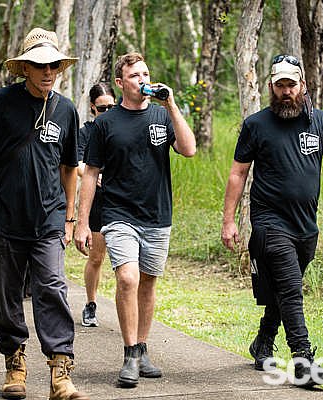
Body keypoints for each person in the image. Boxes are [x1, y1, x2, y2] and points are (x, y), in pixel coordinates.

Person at [0, 28, 89, 400]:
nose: (48, 72)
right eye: (40, 65)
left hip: (48, 219)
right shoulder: (0, 102)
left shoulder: (66, 110)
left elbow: (69, 168)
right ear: (25, 68)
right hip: (4, 218)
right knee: (7, 294)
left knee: (52, 289)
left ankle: (60, 373)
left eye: (54, 65)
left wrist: (70, 217)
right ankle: (15, 364)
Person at [220, 54, 323, 387]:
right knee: (291, 289)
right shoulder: (256, 125)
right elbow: (238, 173)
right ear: (271, 87)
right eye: (280, 85)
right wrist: (229, 220)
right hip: (269, 222)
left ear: (302, 85)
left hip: (305, 226)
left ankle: (263, 342)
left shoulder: (320, 122)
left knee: (282, 289)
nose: (286, 91)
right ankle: (304, 362)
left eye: (291, 84)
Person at [74, 52, 196, 388]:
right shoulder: (106, 123)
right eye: (134, 76)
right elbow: (90, 173)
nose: (142, 80)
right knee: (127, 278)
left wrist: (171, 105)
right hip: (118, 214)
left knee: (147, 283)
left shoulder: (161, 115)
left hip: (157, 214)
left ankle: (142, 349)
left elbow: (188, 149)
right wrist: (81, 222)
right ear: (120, 83)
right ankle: (129, 354)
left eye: (145, 74)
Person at [77, 82, 117, 328]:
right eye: (102, 108)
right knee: (96, 257)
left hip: (122, 200)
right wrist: (94, 175)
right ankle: (90, 303)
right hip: (97, 200)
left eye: (112, 106)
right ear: (93, 108)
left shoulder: (123, 125)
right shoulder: (86, 132)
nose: (107, 112)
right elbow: (77, 163)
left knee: (127, 263)